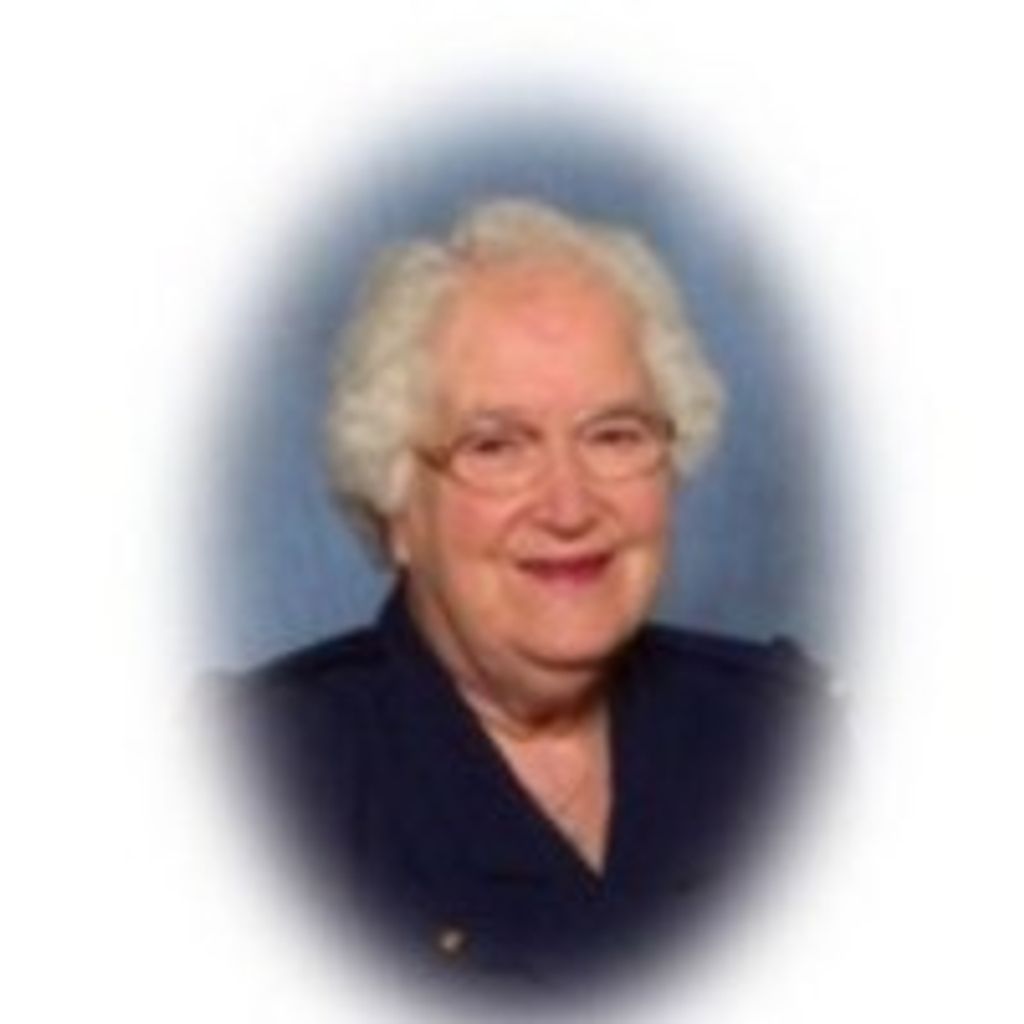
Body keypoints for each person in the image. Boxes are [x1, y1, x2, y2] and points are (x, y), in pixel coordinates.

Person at [236, 198, 825, 995]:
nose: (570, 507)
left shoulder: (784, 733)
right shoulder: (254, 785)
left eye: (614, 435)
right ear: (396, 505)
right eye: (496, 446)